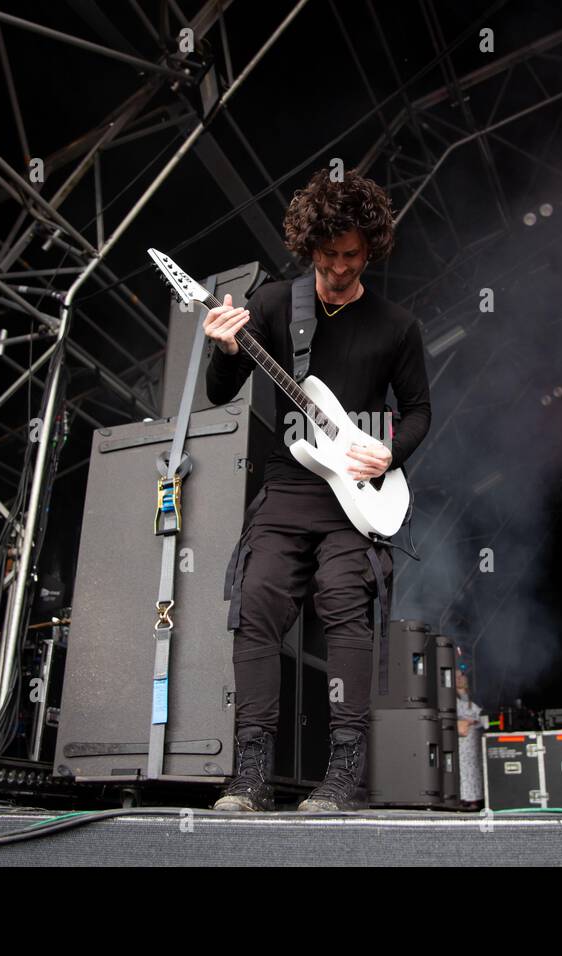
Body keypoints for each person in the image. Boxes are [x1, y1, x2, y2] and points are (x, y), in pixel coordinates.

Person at [203, 168, 432, 812]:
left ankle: (342, 775)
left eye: (350, 255)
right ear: (311, 248)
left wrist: (390, 450)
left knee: (343, 608)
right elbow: (220, 394)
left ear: (372, 250)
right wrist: (223, 352)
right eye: (326, 255)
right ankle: (249, 774)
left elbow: (419, 409)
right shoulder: (275, 304)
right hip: (287, 486)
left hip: (354, 500)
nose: (336, 268)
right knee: (254, 604)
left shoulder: (396, 325)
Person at [455, 665, 486, 810]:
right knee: (462, 768)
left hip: (474, 739)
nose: (459, 679)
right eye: (456, 677)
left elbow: (484, 718)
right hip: (460, 740)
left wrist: (473, 721)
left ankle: (476, 799)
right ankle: (463, 798)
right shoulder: (450, 698)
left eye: (461, 676)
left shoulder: (475, 697)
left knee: (475, 768)